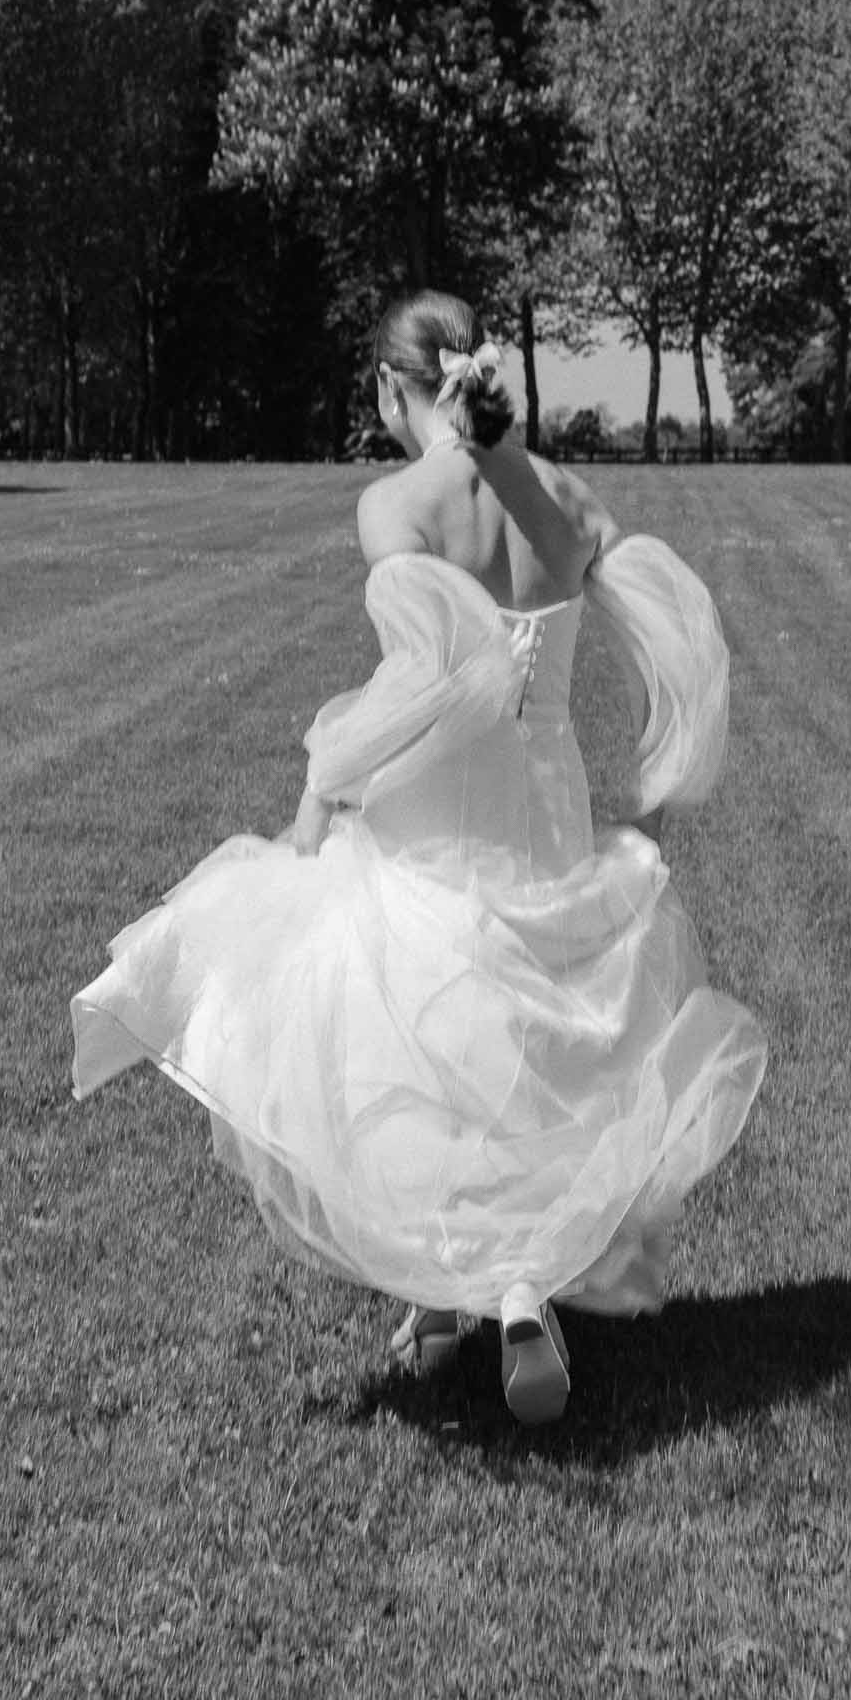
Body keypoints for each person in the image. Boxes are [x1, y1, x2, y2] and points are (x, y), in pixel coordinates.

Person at [71, 290, 767, 1426]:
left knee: (415, 1040)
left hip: (443, 811)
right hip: (545, 813)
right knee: (527, 1041)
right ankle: (487, 1295)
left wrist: (320, 789)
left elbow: (424, 685)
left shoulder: (393, 504)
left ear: (393, 390)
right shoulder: (571, 504)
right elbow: (622, 620)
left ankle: (492, 1285)